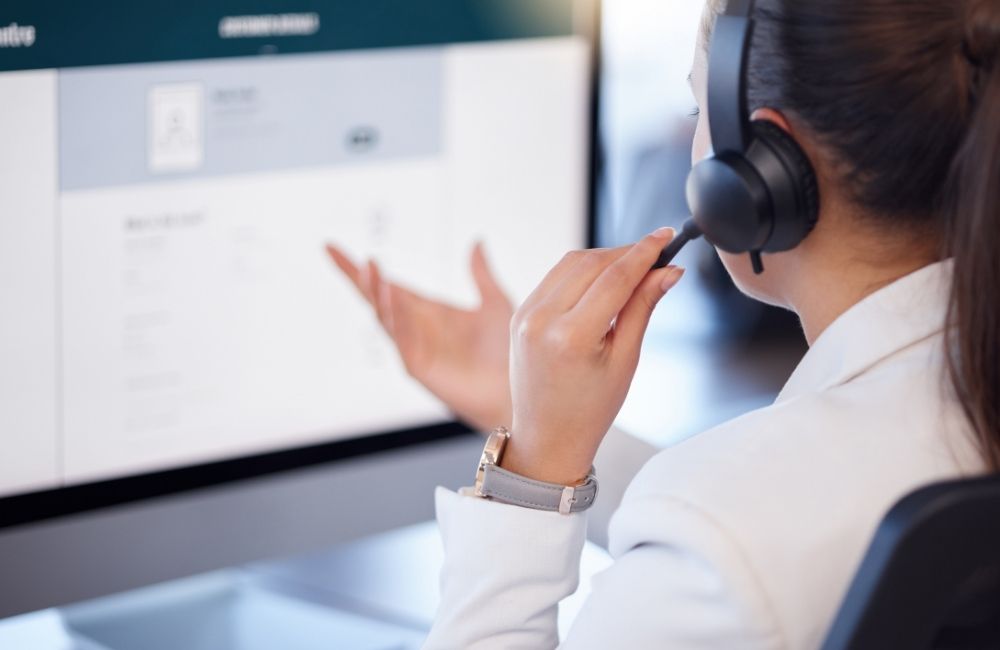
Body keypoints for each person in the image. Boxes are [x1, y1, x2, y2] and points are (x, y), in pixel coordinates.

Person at [326, 0, 1000, 646]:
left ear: (765, 165)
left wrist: (529, 477)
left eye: (695, 107)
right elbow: (764, 516)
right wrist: (529, 413)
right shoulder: (786, 492)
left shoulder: (727, 535)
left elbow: (736, 533)